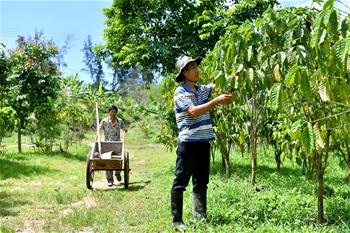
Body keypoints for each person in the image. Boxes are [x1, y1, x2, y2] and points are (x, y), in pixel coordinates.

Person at [170, 55, 232, 231]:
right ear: (184, 72)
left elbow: (219, 84)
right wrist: (217, 101)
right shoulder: (180, 92)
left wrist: (235, 74)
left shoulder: (202, 90)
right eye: (192, 67)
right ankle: (177, 221)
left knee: (201, 181)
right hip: (188, 144)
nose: (197, 70)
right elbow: (194, 111)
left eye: (197, 66)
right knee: (180, 182)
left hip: (204, 142)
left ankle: (200, 217)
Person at [100, 105, 128, 187]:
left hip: (117, 144)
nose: (112, 113)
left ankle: (117, 173)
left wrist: (125, 130)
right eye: (111, 111)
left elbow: (124, 128)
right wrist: (98, 128)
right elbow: (99, 128)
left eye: (114, 112)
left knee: (118, 161)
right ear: (109, 112)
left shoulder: (120, 121)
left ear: (116, 113)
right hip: (107, 144)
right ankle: (110, 180)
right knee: (108, 162)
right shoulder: (104, 121)